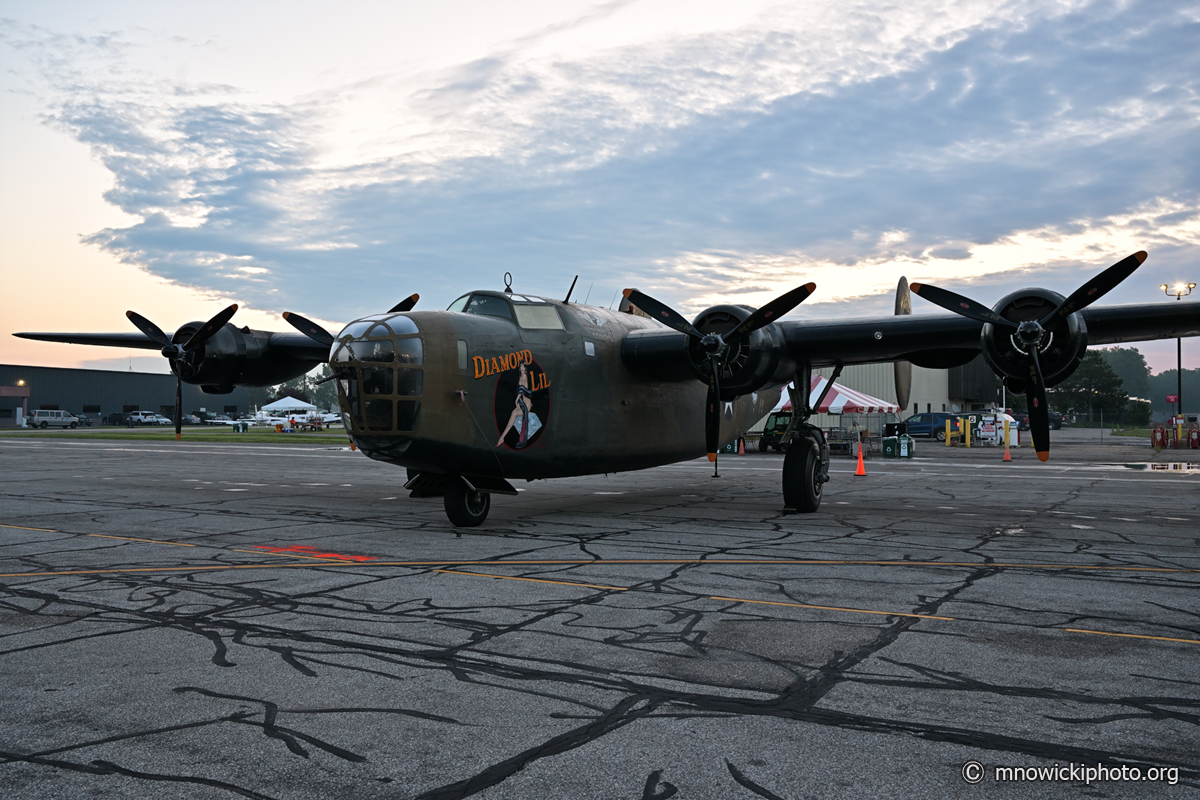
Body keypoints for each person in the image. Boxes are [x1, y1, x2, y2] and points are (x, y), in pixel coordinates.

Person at [496, 362, 542, 448]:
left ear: (526, 368)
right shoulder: (520, 376)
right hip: (522, 404)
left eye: (524, 367)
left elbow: (522, 391)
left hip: (526, 406)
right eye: (521, 366)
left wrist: (517, 401)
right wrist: (518, 402)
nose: (522, 368)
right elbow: (520, 392)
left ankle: (502, 438)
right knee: (513, 413)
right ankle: (502, 438)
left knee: (513, 414)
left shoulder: (524, 376)